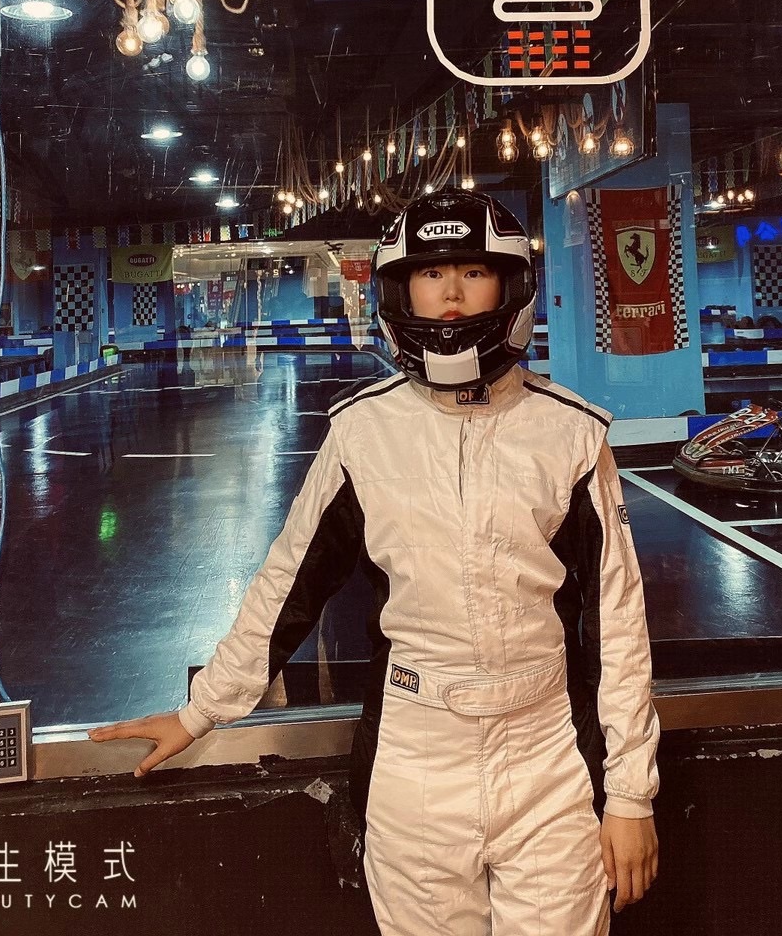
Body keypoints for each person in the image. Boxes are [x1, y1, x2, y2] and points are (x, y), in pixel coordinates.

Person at [89, 187, 659, 934]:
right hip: (412, 757)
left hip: (548, 752)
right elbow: (289, 583)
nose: (451, 293)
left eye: (472, 272)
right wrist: (202, 711)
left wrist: (631, 794)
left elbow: (618, 619)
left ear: (509, 286)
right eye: (430, 273)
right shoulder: (364, 432)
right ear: (399, 290)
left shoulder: (571, 434)